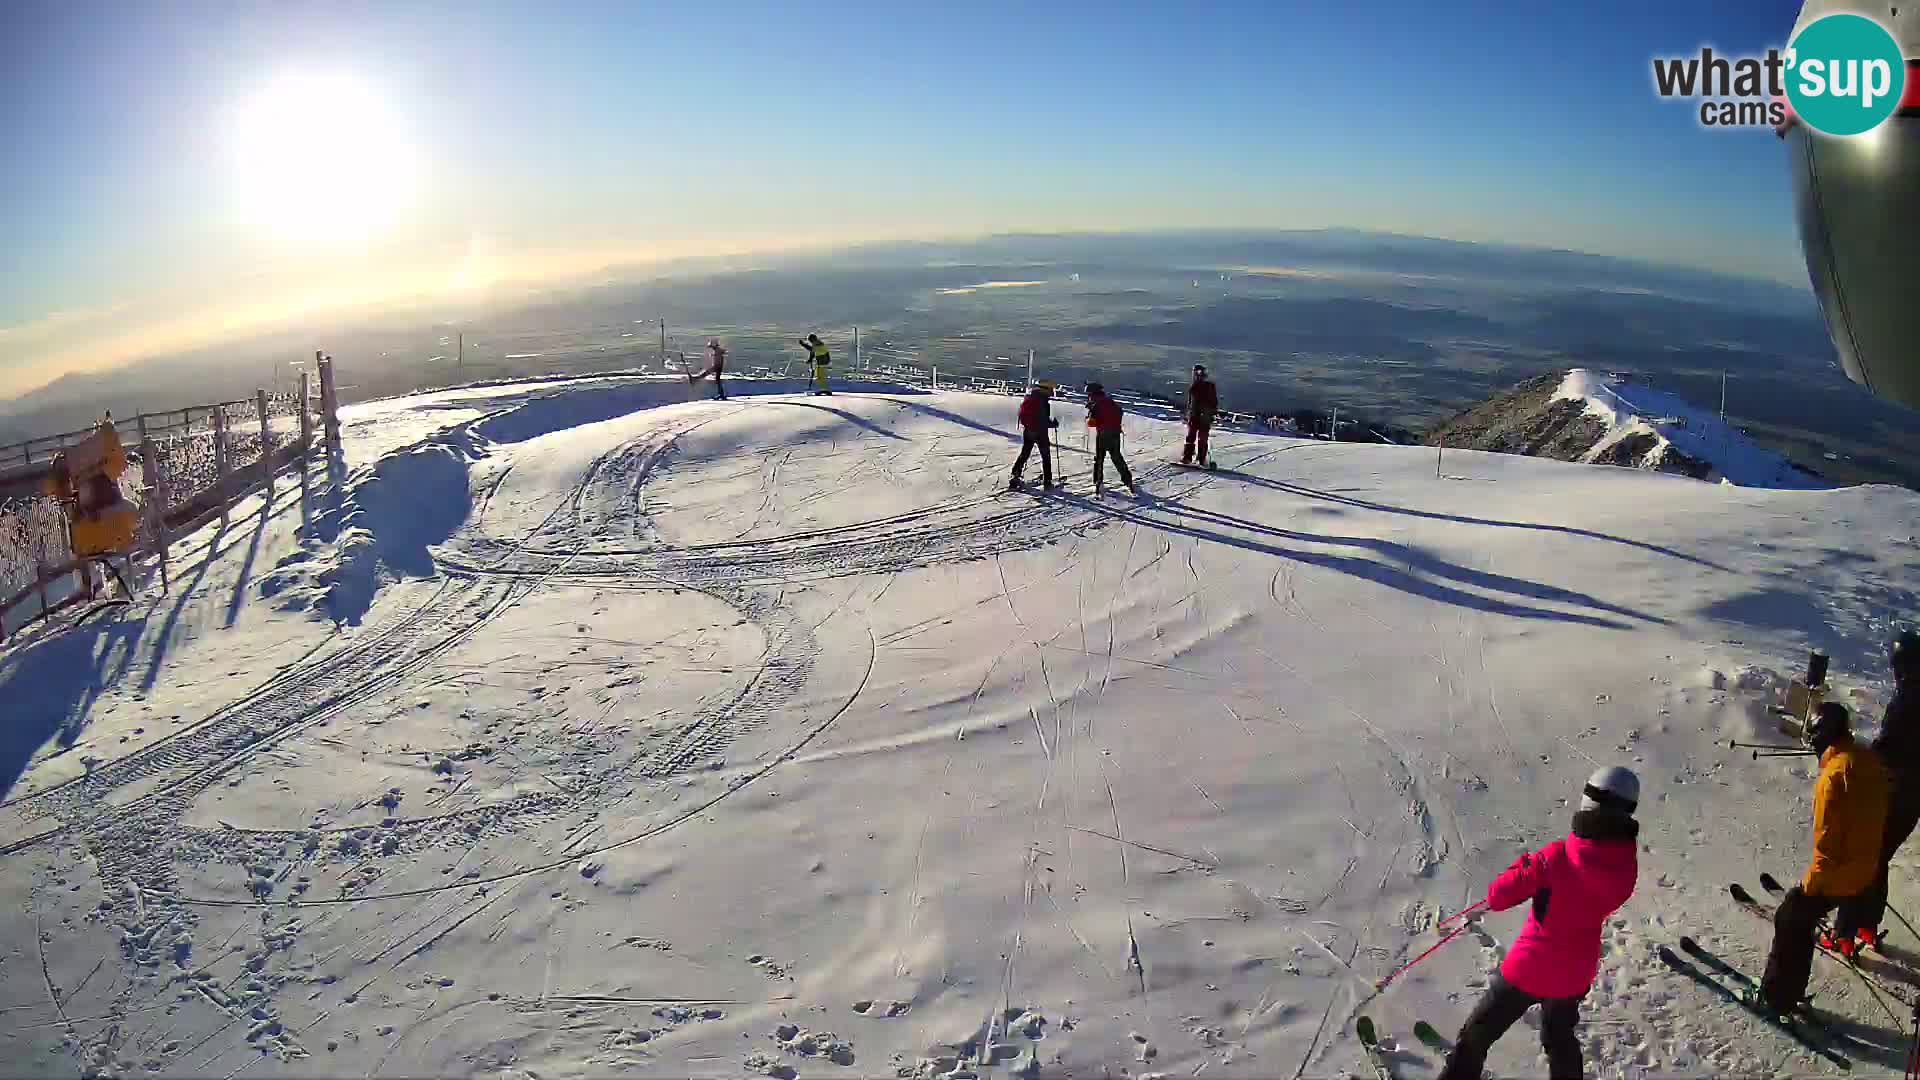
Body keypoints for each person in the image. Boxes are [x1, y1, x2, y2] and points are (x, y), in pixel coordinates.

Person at [1438, 767, 1640, 1080]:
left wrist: (1526, 866)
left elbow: (1499, 896)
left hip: (1529, 968)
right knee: (1558, 1039)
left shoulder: (1556, 857)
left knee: (1478, 1033)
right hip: (1574, 974)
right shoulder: (1626, 867)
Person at [1761, 702, 1890, 1012]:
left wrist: (1808, 888)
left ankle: (1778, 998)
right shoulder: (1866, 758)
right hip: (1867, 867)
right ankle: (1790, 989)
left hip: (1842, 873)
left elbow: (1826, 849)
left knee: (1791, 917)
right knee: (1800, 915)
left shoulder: (1833, 776)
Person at [1837, 631, 1920, 949]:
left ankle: (1844, 931)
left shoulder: (1908, 698)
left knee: (1860, 853)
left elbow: (1889, 746)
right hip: (1912, 801)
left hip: (1894, 792)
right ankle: (1867, 926)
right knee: (1879, 856)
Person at [1084, 383, 1136, 495]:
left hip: (1103, 435)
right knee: (1117, 458)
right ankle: (1128, 480)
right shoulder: (1110, 401)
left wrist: (1090, 416)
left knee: (1099, 459)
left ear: (1092, 393)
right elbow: (1119, 412)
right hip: (1115, 434)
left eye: (1088, 393)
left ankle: (1098, 481)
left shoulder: (1096, 404)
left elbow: (1092, 423)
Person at [1010, 381, 1060, 491]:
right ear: (1045, 389)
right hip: (1040, 432)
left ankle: (1015, 474)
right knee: (1045, 456)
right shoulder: (1042, 401)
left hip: (1028, 430)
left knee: (1025, 453)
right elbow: (1043, 420)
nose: (1052, 392)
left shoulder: (1030, 397)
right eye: (1050, 390)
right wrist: (1053, 424)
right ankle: (1047, 482)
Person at [1183, 364, 1220, 468]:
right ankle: (1188, 457)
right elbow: (1190, 403)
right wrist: (1188, 414)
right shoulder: (1193, 387)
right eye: (1195, 374)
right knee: (1191, 436)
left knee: (1201, 438)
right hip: (1195, 415)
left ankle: (1200, 459)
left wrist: (1212, 412)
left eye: (1198, 374)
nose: (1196, 376)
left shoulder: (1207, 386)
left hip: (1203, 416)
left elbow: (1213, 402)